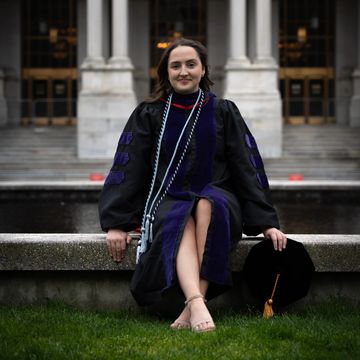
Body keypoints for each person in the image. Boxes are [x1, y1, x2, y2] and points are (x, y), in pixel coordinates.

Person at [99, 38, 287, 333]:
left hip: (219, 195)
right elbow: (128, 168)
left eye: (191, 64)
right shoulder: (150, 114)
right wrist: (117, 222)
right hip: (169, 196)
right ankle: (197, 302)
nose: (183, 71)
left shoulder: (223, 111)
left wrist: (266, 222)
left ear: (203, 70)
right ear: (166, 72)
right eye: (176, 66)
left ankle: (192, 304)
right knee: (181, 212)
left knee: (205, 203)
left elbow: (246, 167)